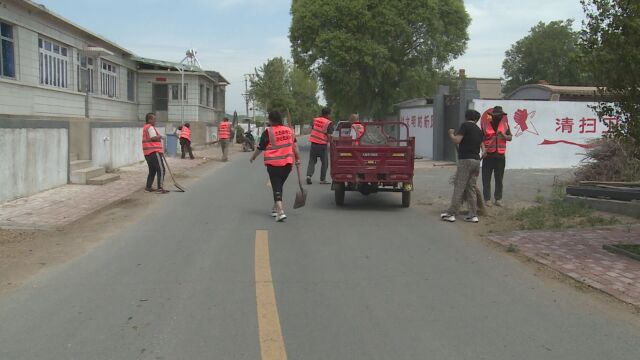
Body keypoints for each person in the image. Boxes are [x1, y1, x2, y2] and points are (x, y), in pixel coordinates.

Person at [250, 111, 301, 222]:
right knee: (278, 185)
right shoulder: (289, 131)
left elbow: (260, 147)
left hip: (274, 164)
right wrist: (298, 158)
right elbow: (295, 146)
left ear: (271, 120)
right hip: (288, 164)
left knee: (277, 187)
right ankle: (275, 209)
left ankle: (280, 212)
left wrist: (253, 157)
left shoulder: (268, 132)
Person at [441, 109, 485, 223]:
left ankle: (451, 214)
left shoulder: (465, 126)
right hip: (476, 161)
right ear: (476, 119)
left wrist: (450, 133)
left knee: (459, 186)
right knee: (471, 188)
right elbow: (484, 151)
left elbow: (457, 140)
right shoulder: (479, 130)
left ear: (466, 117)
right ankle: (473, 215)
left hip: (465, 160)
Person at [481, 106, 512, 207]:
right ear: (492, 115)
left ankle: (498, 199)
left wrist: (504, 136)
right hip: (488, 155)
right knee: (486, 178)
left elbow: (510, 137)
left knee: (499, 178)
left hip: (500, 156)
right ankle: (487, 199)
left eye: (501, 115)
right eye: (497, 115)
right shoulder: (486, 124)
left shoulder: (505, 124)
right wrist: (483, 150)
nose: (499, 117)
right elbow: (481, 139)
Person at [306, 107, 334, 185]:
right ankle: (322, 179)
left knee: (312, 160)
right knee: (325, 162)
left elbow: (313, 129)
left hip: (314, 143)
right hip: (322, 145)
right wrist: (332, 143)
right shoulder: (328, 122)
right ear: (328, 114)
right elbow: (329, 135)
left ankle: (309, 176)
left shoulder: (315, 120)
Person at [142, 113, 168, 194]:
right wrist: (160, 136)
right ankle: (160, 188)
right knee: (161, 169)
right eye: (154, 119)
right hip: (154, 152)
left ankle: (148, 187)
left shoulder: (145, 128)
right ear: (149, 120)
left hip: (147, 153)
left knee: (152, 170)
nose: (155, 121)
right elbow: (153, 138)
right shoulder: (150, 127)